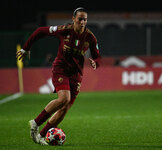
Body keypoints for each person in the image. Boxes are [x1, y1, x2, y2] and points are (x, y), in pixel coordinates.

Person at [16, 7, 101, 145]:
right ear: (73, 19)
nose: (83, 22)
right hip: (60, 69)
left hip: (76, 75)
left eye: (85, 19)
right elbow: (39, 31)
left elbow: (97, 57)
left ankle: (41, 136)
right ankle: (35, 123)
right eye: (80, 19)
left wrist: (95, 62)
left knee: (64, 109)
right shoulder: (64, 30)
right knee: (64, 98)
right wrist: (26, 48)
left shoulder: (90, 37)